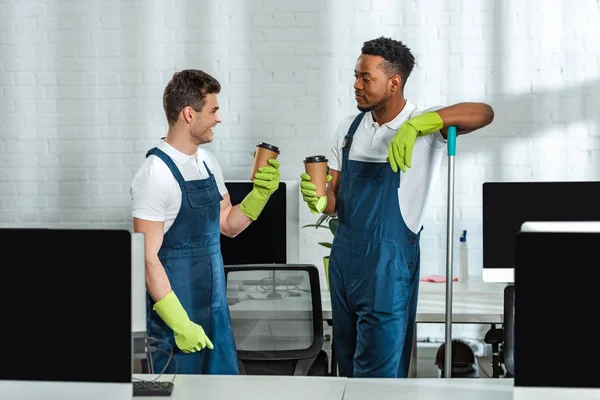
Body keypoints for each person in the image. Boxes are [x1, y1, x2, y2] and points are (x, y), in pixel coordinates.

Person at [299, 37, 494, 378]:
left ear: (394, 82)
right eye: (355, 76)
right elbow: (334, 199)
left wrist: (419, 126)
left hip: (387, 266)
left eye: (365, 78)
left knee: (379, 373)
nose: (356, 85)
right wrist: (319, 198)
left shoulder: (425, 125)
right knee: (345, 360)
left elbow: (484, 113)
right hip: (345, 260)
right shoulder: (350, 128)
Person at [131, 69, 281, 375]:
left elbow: (228, 224)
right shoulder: (154, 174)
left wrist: (261, 194)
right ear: (189, 114)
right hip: (175, 318)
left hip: (214, 310)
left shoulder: (208, 163)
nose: (219, 118)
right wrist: (180, 323)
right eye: (213, 110)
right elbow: (146, 258)